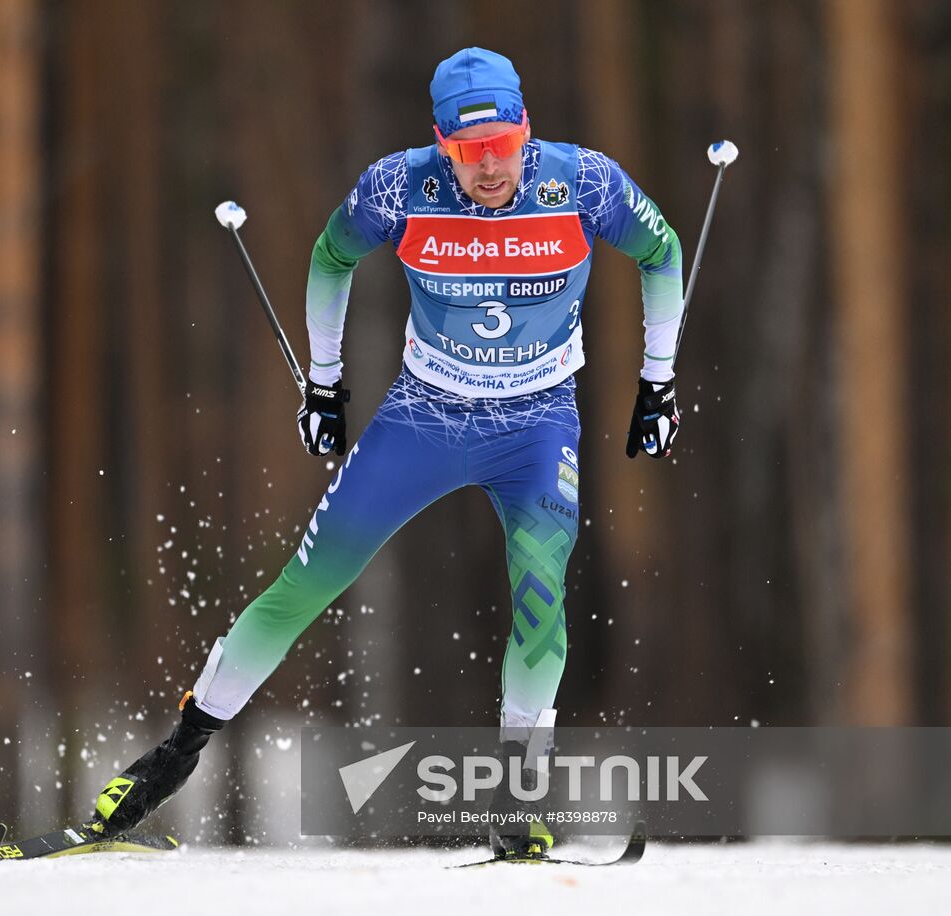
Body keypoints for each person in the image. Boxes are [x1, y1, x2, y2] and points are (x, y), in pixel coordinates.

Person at [87, 47, 683, 859]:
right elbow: (330, 259)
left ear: (526, 132)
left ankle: (520, 800)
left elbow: (663, 251)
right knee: (308, 582)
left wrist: (658, 383)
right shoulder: (398, 187)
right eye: (470, 153)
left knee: (543, 601)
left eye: (503, 146)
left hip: (537, 423)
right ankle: (174, 754)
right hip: (424, 417)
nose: (489, 168)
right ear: (440, 143)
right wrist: (324, 384)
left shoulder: (583, 183)